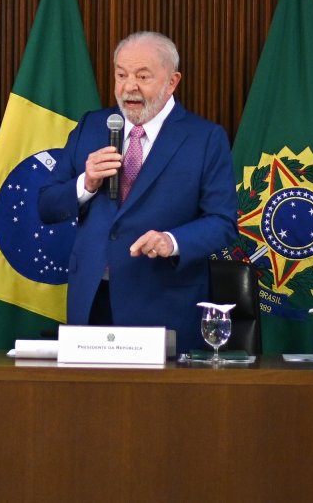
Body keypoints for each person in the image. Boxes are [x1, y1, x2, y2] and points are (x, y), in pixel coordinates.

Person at [37, 31, 237, 353]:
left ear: (172, 82)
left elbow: (223, 223)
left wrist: (172, 241)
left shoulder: (205, 138)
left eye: (143, 77)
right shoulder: (91, 126)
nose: (129, 87)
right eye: (121, 75)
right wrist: (85, 184)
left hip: (163, 302)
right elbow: (47, 205)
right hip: (92, 301)